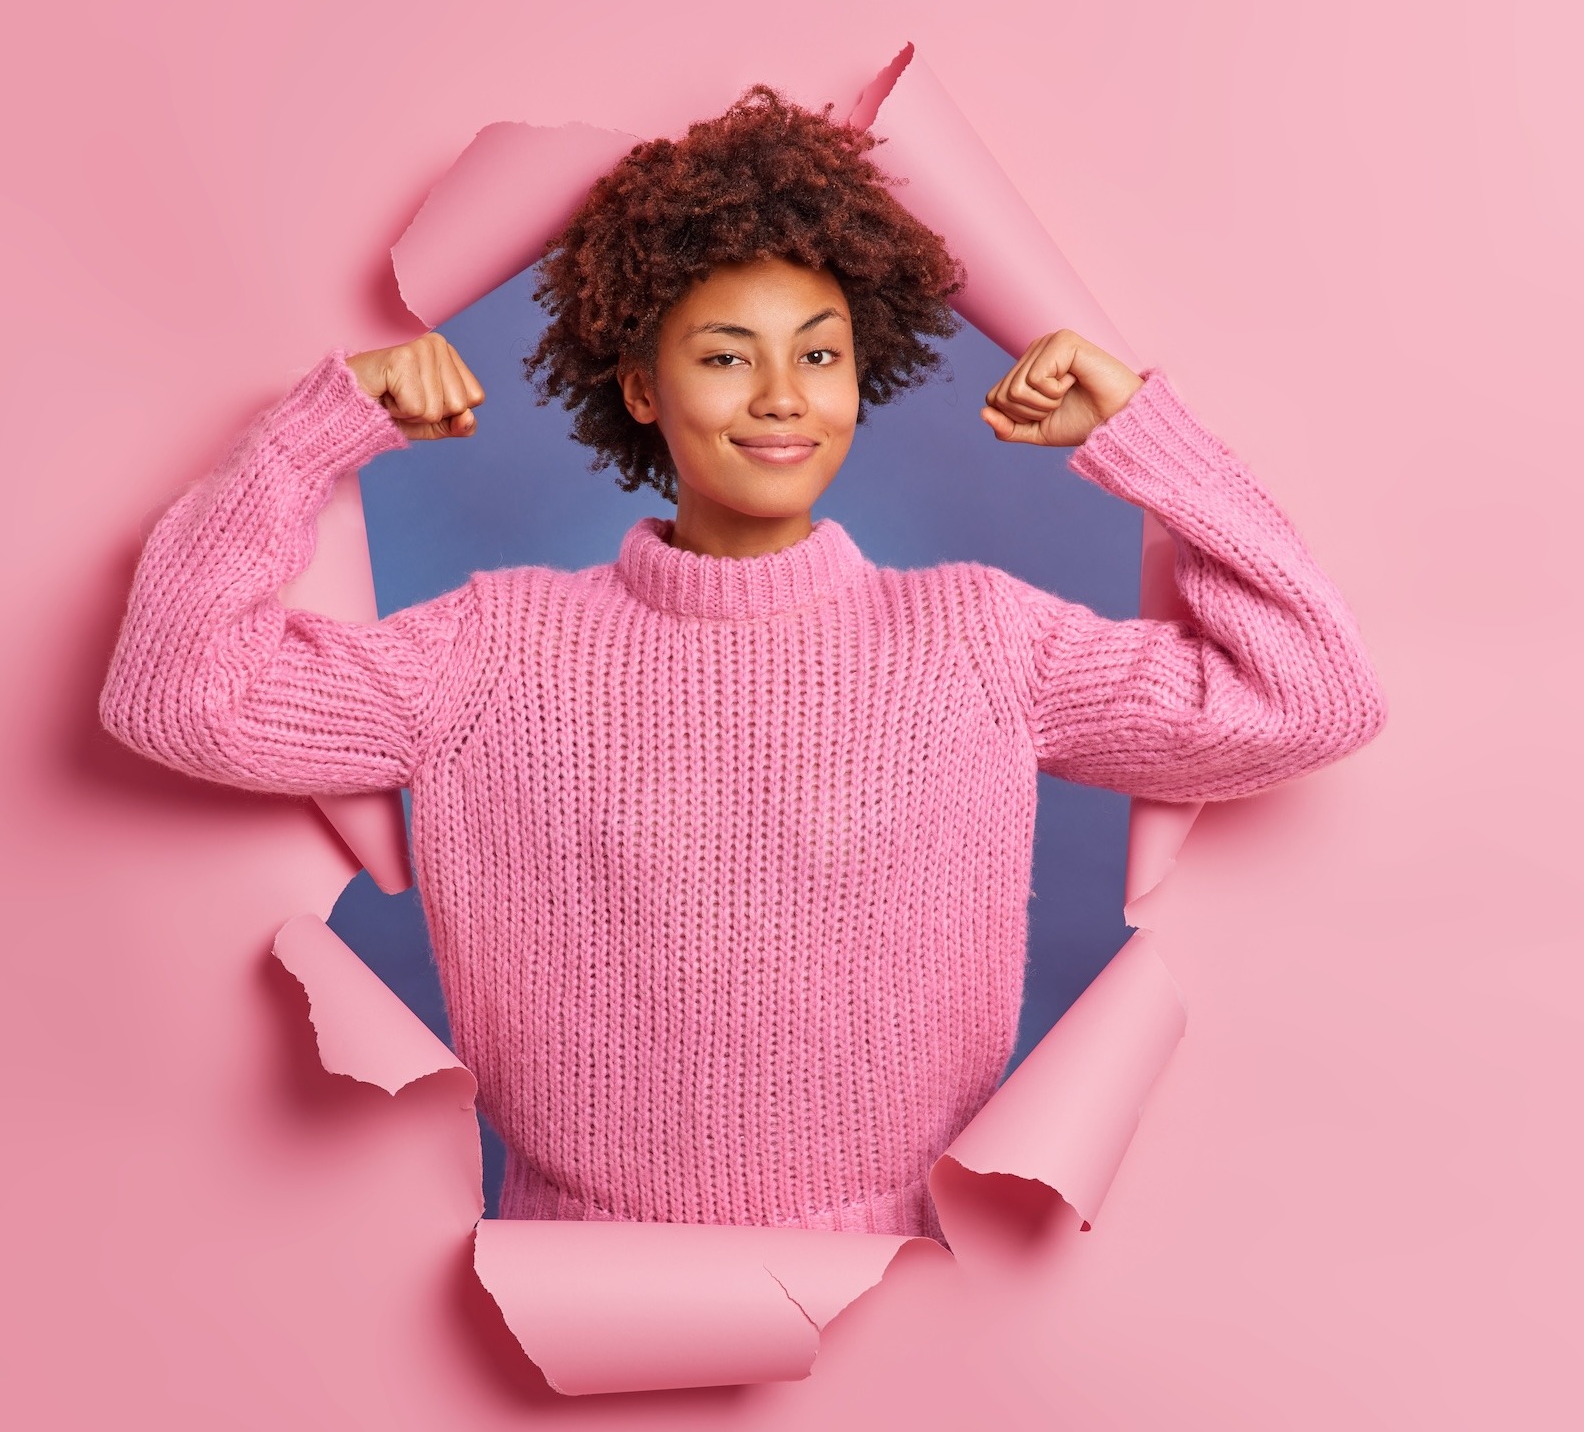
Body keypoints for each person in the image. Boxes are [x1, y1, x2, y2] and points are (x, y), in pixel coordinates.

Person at [99, 87, 1386, 1242]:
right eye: (725, 356)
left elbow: (1309, 698)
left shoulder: (981, 638)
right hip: (576, 1283)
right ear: (641, 385)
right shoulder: (491, 648)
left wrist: (1145, 442)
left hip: (906, 1300)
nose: (782, 396)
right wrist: (315, 435)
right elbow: (176, 694)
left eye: (817, 354)